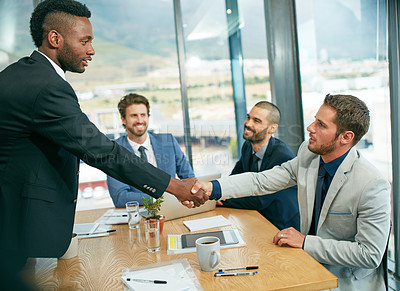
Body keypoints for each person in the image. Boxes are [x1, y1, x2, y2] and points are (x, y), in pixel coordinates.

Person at [0, 1, 206, 289]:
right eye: (84, 41)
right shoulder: (46, 86)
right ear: (55, 39)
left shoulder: (24, 73)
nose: (91, 50)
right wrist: (174, 186)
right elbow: (100, 150)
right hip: (10, 224)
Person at [192, 94, 391, 290]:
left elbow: (369, 254)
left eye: (321, 125)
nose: (310, 128)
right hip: (305, 262)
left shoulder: (372, 184)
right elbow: (262, 181)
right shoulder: (309, 153)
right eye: (314, 120)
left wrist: (305, 242)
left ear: (346, 137)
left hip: (346, 280)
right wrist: (212, 187)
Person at [218, 101, 299, 230]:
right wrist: (220, 190)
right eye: (248, 117)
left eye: (256, 121)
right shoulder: (247, 146)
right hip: (258, 218)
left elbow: (260, 200)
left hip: (282, 225)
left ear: (272, 128)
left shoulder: (282, 156)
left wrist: (222, 199)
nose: (248, 123)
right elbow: (235, 177)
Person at [107, 93, 194, 208]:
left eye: (143, 115)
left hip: (172, 210)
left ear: (148, 117)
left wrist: (204, 195)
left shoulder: (168, 141)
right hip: (139, 213)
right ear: (123, 119)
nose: (139, 120)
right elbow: (120, 197)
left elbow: (189, 178)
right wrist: (163, 198)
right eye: (134, 115)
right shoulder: (114, 150)